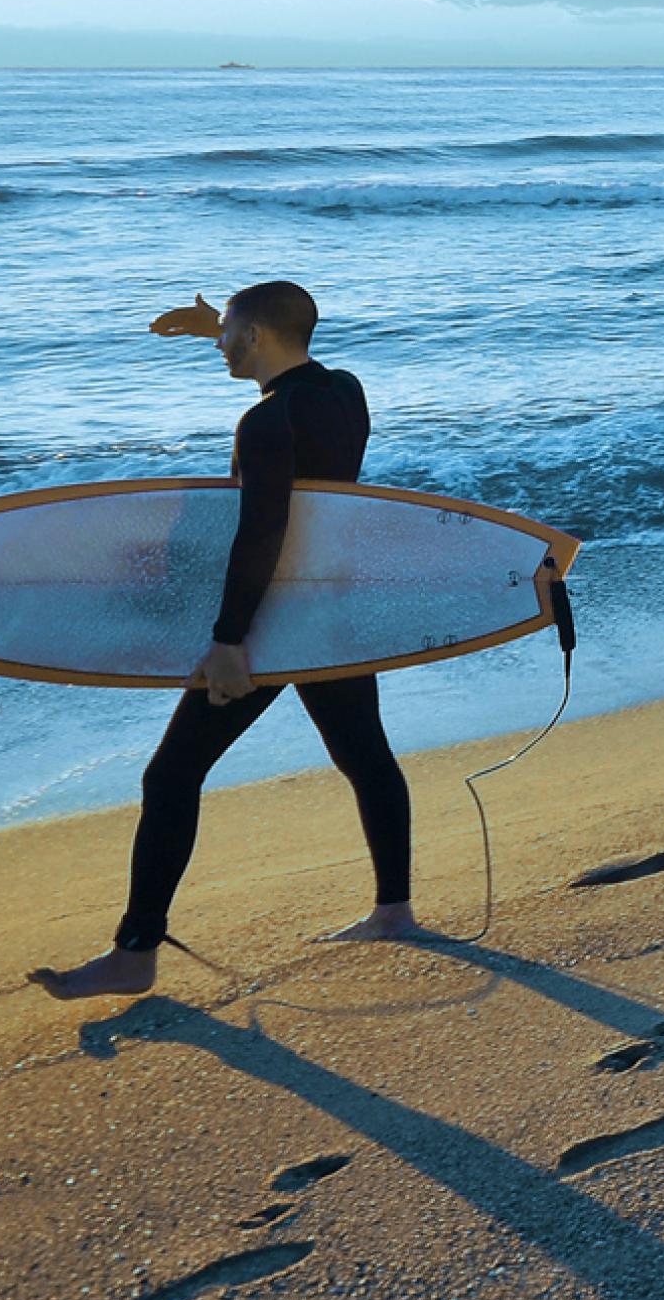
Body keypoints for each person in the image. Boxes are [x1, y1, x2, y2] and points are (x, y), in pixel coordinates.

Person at [30, 279, 416, 1001]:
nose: (219, 345)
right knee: (365, 755)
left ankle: (134, 953)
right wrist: (221, 318)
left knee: (170, 776)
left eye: (228, 332)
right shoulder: (345, 392)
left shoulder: (264, 423)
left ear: (257, 338)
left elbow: (261, 533)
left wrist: (229, 640)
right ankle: (394, 909)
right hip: (332, 611)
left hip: (273, 621)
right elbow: (291, 359)